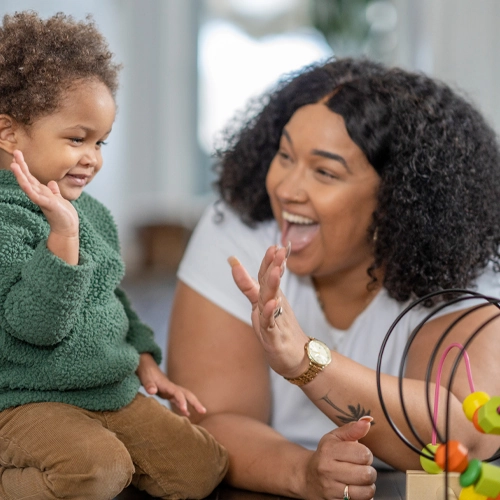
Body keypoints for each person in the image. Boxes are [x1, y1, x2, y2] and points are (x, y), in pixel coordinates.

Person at [167, 57, 500, 499]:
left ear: (398, 201)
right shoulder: (241, 228)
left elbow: (460, 441)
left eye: (325, 172)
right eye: (284, 155)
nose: (286, 188)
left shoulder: (466, 261)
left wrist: (306, 361)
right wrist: (303, 473)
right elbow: (208, 418)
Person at [0, 11, 228, 499]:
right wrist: (62, 238)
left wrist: (144, 358)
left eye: (100, 141)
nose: (93, 157)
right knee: (95, 471)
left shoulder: (93, 214)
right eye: (76, 139)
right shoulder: (8, 219)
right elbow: (35, 327)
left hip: (106, 389)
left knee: (201, 466)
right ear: (9, 133)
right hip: (24, 400)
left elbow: (111, 298)